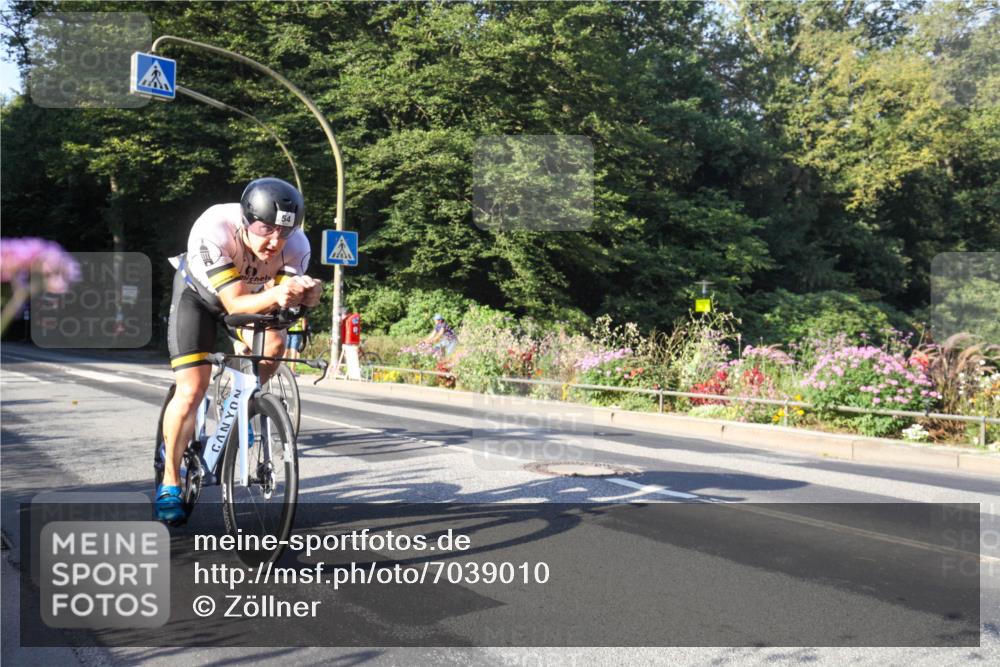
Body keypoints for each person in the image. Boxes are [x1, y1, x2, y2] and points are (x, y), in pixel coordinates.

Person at [158, 177, 322, 522]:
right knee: (192, 389)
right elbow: (233, 303)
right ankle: (170, 481)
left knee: (274, 344)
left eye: (284, 232)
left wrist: (306, 298)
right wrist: (278, 293)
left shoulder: (297, 246)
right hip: (199, 299)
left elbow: (282, 306)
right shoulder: (214, 229)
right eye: (266, 230)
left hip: (252, 300)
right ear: (246, 222)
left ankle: (240, 406)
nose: (274, 241)